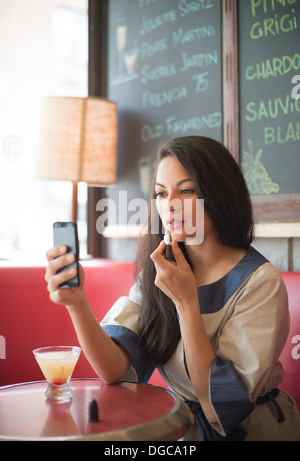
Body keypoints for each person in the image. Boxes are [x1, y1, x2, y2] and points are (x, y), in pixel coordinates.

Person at [45, 136, 300, 441]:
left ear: (220, 194)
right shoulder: (164, 268)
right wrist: (76, 302)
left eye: (187, 190)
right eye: (161, 193)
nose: (171, 206)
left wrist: (186, 303)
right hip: (178, 426)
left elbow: (221, 408)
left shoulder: (259, 282)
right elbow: (114, 369)